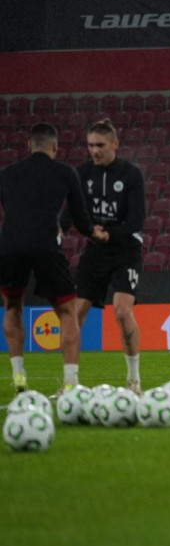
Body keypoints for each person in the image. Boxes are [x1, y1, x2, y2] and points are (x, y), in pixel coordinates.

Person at [0, 123, 99, 394]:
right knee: (67, 311)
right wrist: (93, 233)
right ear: (55, 147)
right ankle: (70, 381)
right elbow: (79, 215)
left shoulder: (7, 173)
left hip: (10, 245)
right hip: (46, 243)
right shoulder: (65, 172)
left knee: (12, 307)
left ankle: (19, 376)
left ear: (29, 145)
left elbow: (9, 208)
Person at [72, 119, 146, 393]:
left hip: (125, 250)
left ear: (115, 143)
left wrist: (108, 234)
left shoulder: (130, 174)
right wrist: (86, 230)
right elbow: (72, 213)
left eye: (100, 145)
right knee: (75, 314)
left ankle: (134, 379)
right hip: (95, 251)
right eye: (90, 145)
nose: (95, 151)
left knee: (122, 310)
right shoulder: (81, 174)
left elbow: (137, 219)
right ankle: (70, 382)